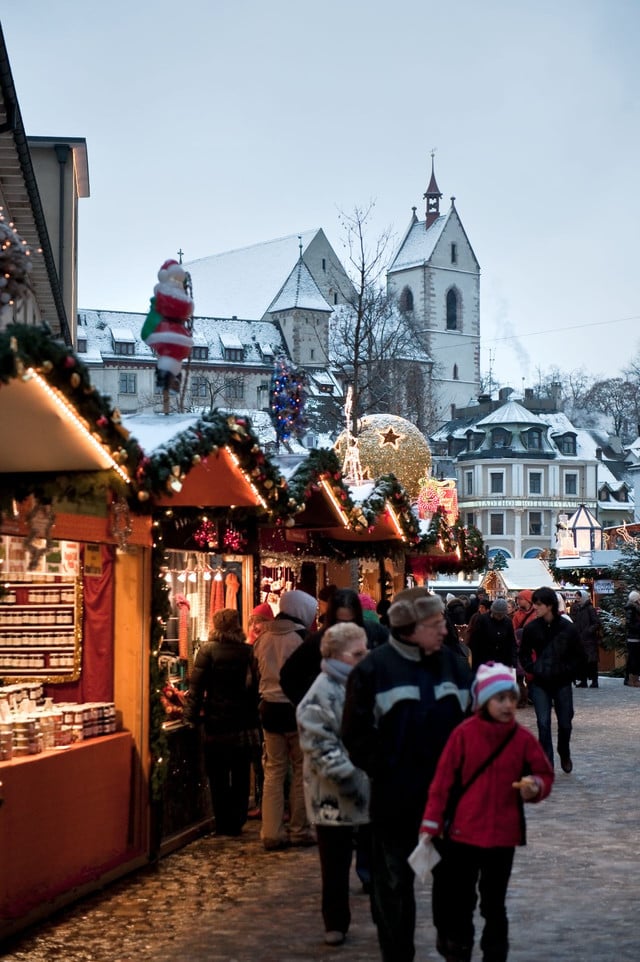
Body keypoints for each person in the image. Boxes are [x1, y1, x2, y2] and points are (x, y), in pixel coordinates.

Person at [342, 588, 472, 962]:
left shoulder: (454, 664)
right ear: (409, 629)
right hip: (395, 802)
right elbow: (355, 733)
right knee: (395, 887)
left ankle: (455, 947)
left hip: (450, 803)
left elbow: (470, 724)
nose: (444, 630)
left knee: (456, 886)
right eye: (434, 625)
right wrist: (388, 769)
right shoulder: (373, 670)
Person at [420, 662, 554, 962]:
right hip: (463, 835)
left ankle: (495, 954)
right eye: (500, 698)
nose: (508, 705)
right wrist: (430, 825)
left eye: (511, 697)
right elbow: (442, 783)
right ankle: (460, 950)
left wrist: (535, 786)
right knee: (462, 901)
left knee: (494, 904)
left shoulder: (521, 739)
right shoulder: (463, 735)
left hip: (503, 836)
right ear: (483, 700)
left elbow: (544, 773)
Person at [296, 623, 371, 947]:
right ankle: (335, 921)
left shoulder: (359, 684)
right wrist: (357, 777)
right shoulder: (322, 692)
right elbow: (321, 746)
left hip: (362, 789)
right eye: (358, 652)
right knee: (335, 863)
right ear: (338, 655)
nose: (365, 656)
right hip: (333, 795)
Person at [183, 608, 260, 837]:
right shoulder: (248, 651)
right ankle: (237, 819)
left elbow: (196, 690)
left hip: (216, 723)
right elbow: (255, 688)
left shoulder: (207, 651)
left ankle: (223, 822)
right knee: (240, 772)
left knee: (217, 775)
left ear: (215, 625)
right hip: (243, 723)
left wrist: (190, 717)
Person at [253, 589, 318, 850]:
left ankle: (271, 831)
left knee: (273, 771)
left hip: (269, 709)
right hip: (295, 709)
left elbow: (255, 673)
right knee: (301, 769)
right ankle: (299, 829)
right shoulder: (302, 638)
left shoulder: (262, 638)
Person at [280, 587, 389, 708]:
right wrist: (311, 704)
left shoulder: (374, 632)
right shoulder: (318, 640)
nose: (345, 627)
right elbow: (288, 676)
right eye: (340, 622)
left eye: (350, 621)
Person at [519, 586, 585, 773]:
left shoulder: (567, 628)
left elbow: (579, 655)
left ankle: (563, 751)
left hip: (562, 682)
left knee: (565, 722)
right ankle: (546, 761)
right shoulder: (532, 628)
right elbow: (523, 653)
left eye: (538, 605)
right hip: (540, 682)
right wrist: (533, 669)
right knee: (543, 723)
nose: (536, 608)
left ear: (549, 605)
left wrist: (568, 672)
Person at [468, 598, 518, 674]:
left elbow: (511, 642)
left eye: (501, 615)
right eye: (497, 614)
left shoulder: (508, 622)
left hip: (502, 663)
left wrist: (513, 661)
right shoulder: (482, 620)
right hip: (485, 661)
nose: (499, 616)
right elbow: (474, 642)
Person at [571, 589, 601, 688]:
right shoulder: (577, 608)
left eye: (579, 597)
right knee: (582, 661)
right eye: (576, 597)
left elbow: (596, 623)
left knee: (592, 661)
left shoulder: (590, 608)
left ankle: (594, 681)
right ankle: (583, 680)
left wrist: (589, 631)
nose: (577, 599)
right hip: (580, 639)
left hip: (589, 640)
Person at [623, 590, 640, 687]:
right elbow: (630, 624)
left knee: (632, 659)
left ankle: (630, 679)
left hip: (635, 637)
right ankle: (632, 680)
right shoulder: (632, 609)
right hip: (634, 638)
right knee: (634, 659)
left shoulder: (634, 608)